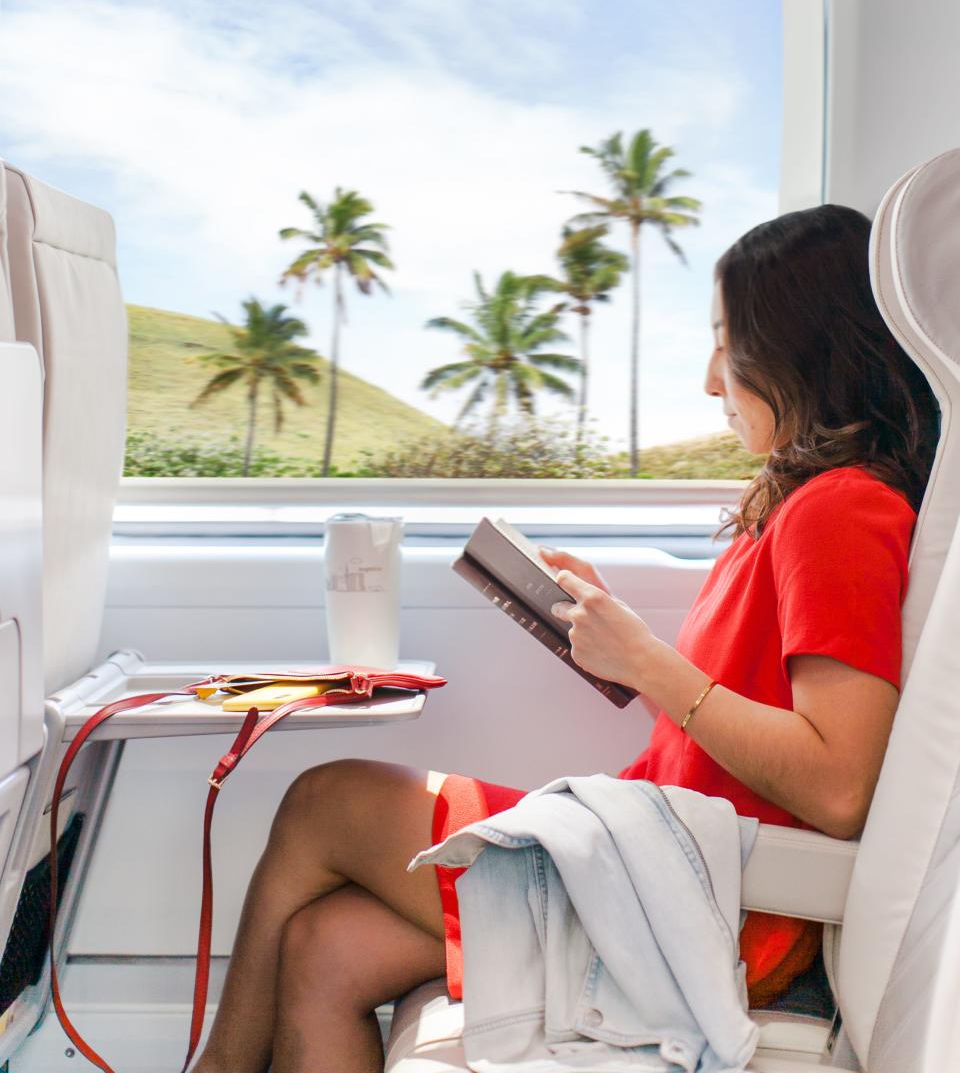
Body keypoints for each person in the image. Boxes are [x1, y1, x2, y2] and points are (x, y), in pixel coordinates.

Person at [191, 205, 940, 1073]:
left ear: (802, 351)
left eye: (727, 345)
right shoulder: (797, 509)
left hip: (702, 901)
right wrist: (612, 640)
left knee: (324, 799)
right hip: (656, 863)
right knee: (327, 948)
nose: (711, 381)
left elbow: (840, 786)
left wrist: (647, 664)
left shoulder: (841, 510)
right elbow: (738, 707)